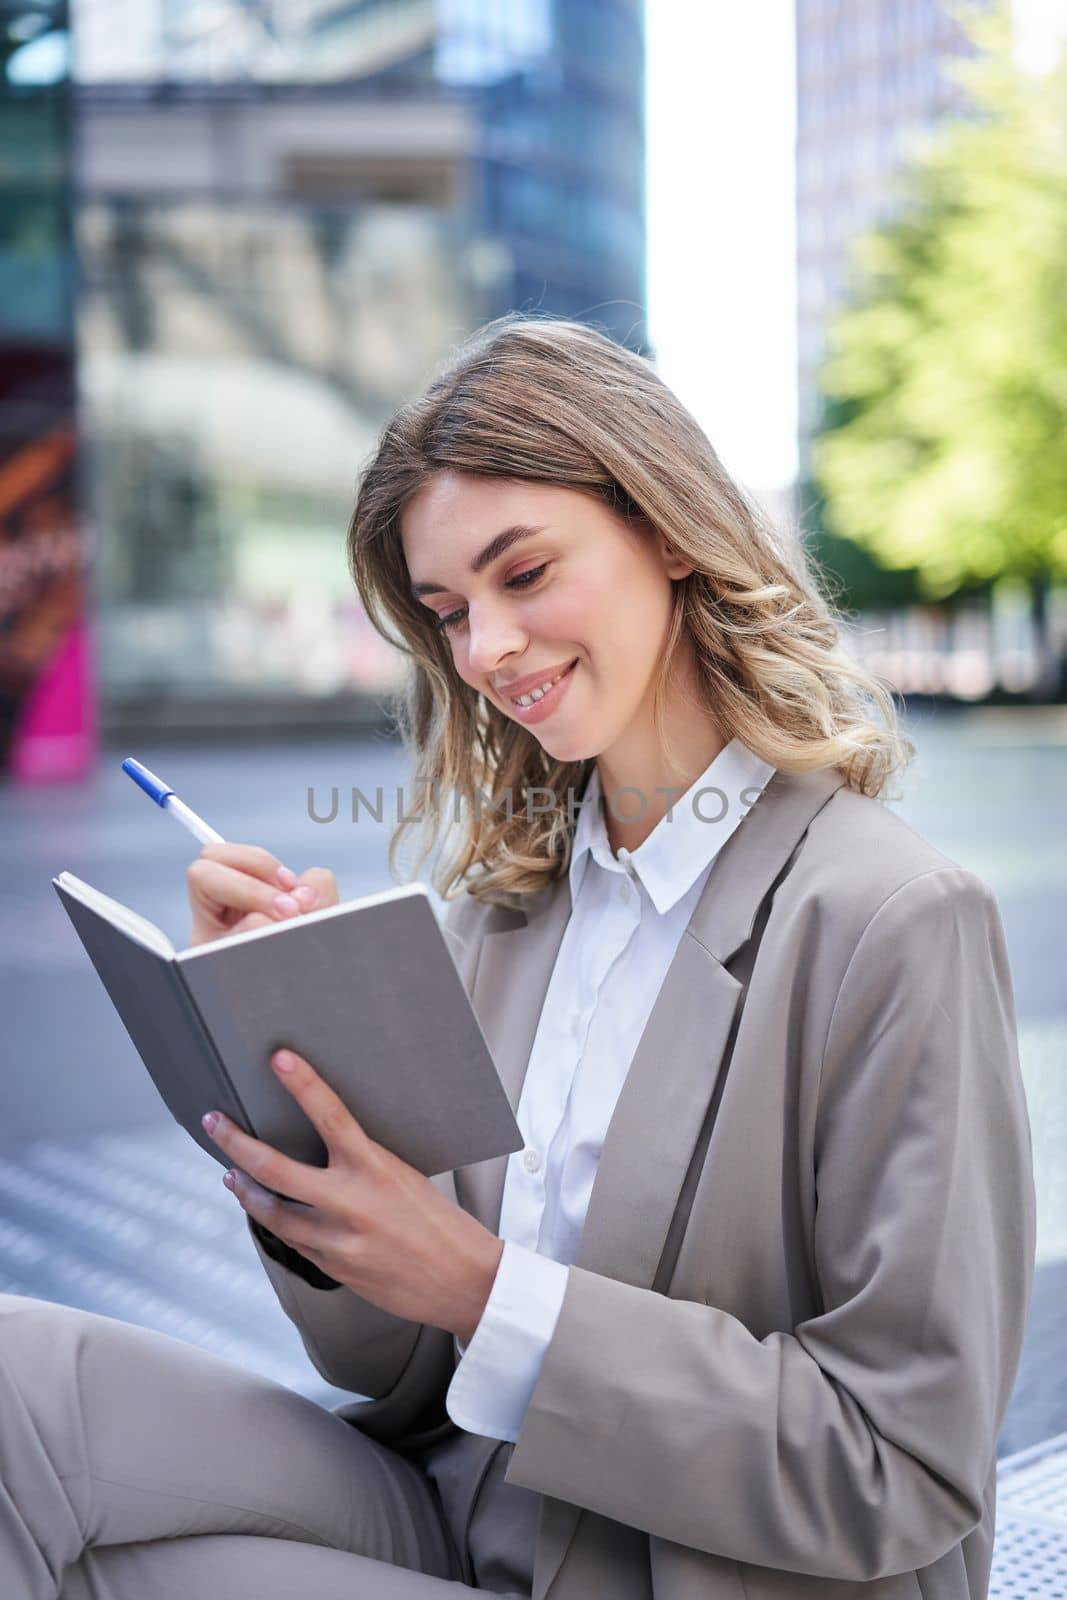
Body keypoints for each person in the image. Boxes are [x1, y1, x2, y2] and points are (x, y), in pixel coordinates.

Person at [0, 314, 1035, 1600]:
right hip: (456, 1504)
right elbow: (389, 1366)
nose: (483, 650)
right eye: (446, 609)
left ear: (664, 529)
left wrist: (488, 1291)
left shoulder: (887, 921)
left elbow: (900, 1467)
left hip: (673, 1570)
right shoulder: (506, 911)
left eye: (524, 574)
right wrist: (304, 1109)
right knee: (13, 1386)